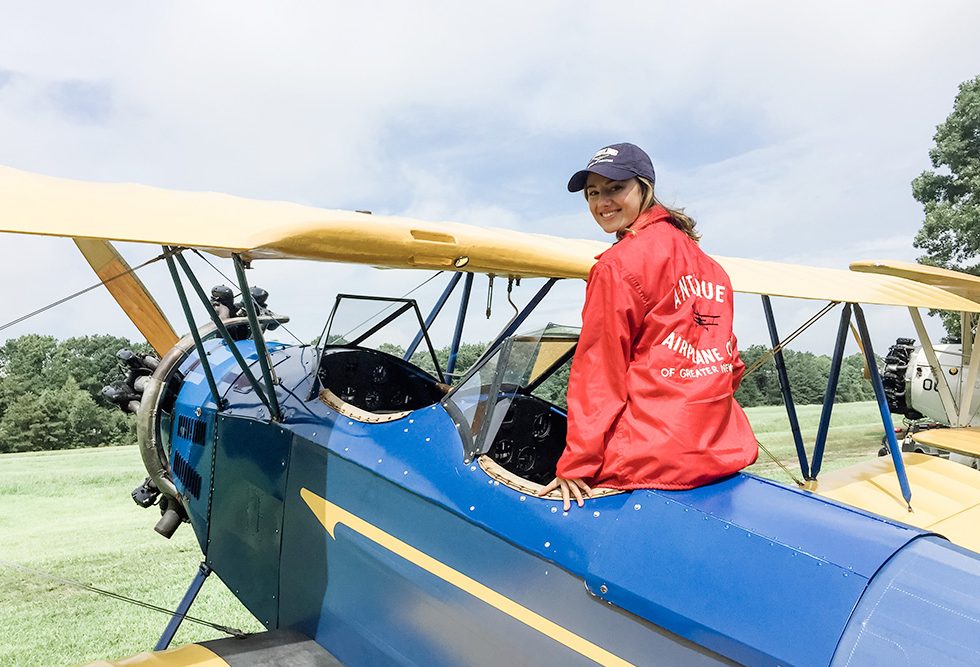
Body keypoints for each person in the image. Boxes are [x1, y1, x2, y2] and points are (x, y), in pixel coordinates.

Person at [539, 143, 758, 511]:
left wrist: (577, 462)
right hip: (718, 453)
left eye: (615, 188)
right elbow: (730, 363)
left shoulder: (616, 266)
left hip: (650, 459)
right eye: (593, 193)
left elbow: (599, 373)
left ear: (645, 188)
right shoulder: (711, 268)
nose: (602, 202)